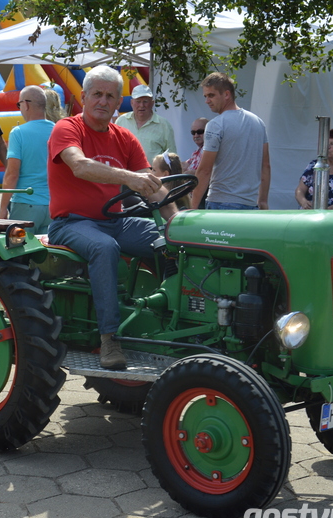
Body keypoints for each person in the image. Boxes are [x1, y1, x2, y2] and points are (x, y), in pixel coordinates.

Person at [47, 66, 174, 370]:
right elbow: (79, 166)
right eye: (97, 94)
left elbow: (151, 185)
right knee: (105, 248)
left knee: (171, 241)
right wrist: (128, 177)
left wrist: (178, 221)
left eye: (110, 96)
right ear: (84, 97)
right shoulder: (67, 128)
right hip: (71, 223)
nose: (103, 101)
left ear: (119, 102)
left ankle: (172, 316)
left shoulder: (125, 138)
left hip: (115, 221)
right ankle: (108, 338)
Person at [192, 73, 270, 210]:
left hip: (221, 203)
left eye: (211, 95)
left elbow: (204, 170)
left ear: (227, 94)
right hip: (251, 205)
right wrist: (263, 201)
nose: (207, 100)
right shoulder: (258, 122)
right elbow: (265, 166)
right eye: (205, 96)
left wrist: (191, 207)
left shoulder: (215, 125)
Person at [0, 86, 54, 233]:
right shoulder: (58, 131)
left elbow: (12, 175)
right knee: (46, 253)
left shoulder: (18, 133)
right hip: (52, 206)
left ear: (26, 104)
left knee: (18, 252)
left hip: (25, 203)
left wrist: (3, 208)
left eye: (19, 104)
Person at [114, 84, 177, 163]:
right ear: (132, 103)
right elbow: (114, 148)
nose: (141, 105)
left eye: (145, 101)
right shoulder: (121, 121)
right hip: (127, 172)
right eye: (138, 101)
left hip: (154, 173)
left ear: (152, 103)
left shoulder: (164, 125)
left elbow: (172, 157)